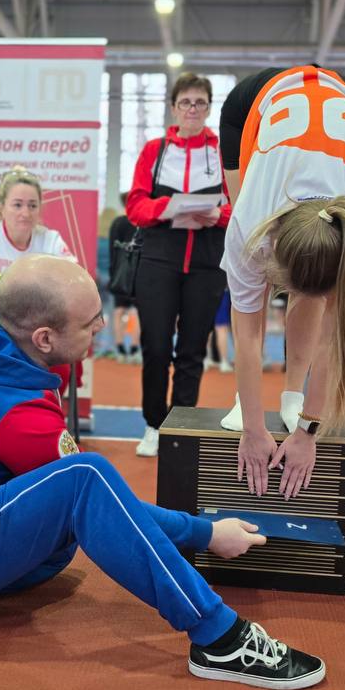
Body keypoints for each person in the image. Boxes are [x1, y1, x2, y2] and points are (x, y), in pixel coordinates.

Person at [0, 255, 324, 690]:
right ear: (44, 338)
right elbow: (103, 501)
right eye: (89, 323)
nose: (103, 326)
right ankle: (219, 638)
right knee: (85, 479)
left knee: (62, 543)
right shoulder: (11, 411)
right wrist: (205, 534)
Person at [218, 64, 345, 498]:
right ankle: (245, 399)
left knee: (316, 304)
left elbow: (335, 338)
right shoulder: (249, 226)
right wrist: (253, 427)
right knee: (250, 288)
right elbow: (247, 333)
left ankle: (292, 394)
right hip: (253, 102)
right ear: (273, 245)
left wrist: (309, 429)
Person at [126, 73, 231, 458]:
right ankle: (154, 424)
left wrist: (217, 215)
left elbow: (239, 207)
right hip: (159, 258)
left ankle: (181, 426)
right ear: (173, 107)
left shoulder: (222, 153)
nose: (192, 109)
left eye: (200, 102)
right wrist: (166, 207)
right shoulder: (154, 151)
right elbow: (135, 206)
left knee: (192, 350)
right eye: (186, 102)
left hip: (206, 261)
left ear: (209, 107)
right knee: (155, 346)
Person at [108, 197, 141, 362]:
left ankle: (120, 348)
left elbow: (112, 249)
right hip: (137, 273)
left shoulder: (117, 223)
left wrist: (113, 272)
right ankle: (134, 349)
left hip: (119, 272)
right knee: (136, 312)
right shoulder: (141, 224)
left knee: (119, 311)